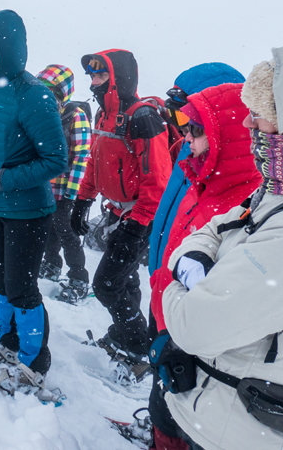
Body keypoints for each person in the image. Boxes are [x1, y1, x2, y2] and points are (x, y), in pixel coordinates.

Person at [158, 44, 283, 450]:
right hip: (218, 407)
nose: (248, 122)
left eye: (261, 114)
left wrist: (173, 280)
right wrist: (198, 256)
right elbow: (217, 228)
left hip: (233, 429)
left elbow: (194, 326)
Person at [143, 80, 261, 449]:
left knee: (194, 419)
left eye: (196, 129)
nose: (186, 138)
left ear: (226, 133)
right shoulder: (199, 179)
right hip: (165, 309)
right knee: (163, 402)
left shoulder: (246, 199)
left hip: (197, 335)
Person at [0, 10, 68, 380]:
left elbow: (56, 159)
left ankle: (33, 361)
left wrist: (5, 180)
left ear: (5, 54)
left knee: (22, 289)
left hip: (27, 211)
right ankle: (7, 345)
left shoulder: (34, 96)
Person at [70, 49, 172, 378]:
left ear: (118, 78)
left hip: (142, 216)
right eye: (92, 76)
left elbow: (158, 179)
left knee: (106, 284)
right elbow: (94, 161)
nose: (94, 82)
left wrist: (137, 227)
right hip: (118, 213)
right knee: (124, 281)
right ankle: (128, 339)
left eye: (100, 76)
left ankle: (137, 348)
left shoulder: (142, 117)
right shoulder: (104, 115)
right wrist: (82, 200)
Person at [147, 63, 246, 278]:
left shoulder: (240, 180)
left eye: (190, 119)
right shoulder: (188, 150)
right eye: (177, 117)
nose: (184, 131)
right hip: (163, 276)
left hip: (181, 288)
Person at [35, 65, 92, 303]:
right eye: (41, 88)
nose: (44, 94)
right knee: (49, 227)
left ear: (62, 94)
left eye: (51, 90)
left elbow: (81, 158)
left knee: (65, 232)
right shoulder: (41, 113)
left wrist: (71, 195)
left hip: (64, 189)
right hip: (42, 186)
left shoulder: (75, 117)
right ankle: (51, 264)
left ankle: (79, 278)